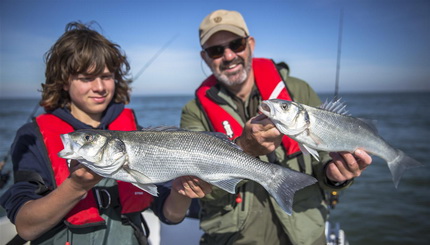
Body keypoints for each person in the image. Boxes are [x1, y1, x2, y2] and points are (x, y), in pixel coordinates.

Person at [0, 21, 211, 245]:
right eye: (86, 78)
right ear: (63, 81)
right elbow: (25, 227)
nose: (100, 87)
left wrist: (181, 193)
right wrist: (76, 186)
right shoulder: (34, 137)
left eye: (107, 76)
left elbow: (170, 215)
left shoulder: (134, 132)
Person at [180, 9, 372, 245]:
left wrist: (335, 176)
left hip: (306, 235)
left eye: (237, 44)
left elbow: (321, 159)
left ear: (251, 44)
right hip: (236, 238)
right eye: (216, 50)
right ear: (205, 57)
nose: (228, 56)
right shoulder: (194, 112)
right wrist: (243, 148)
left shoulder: (297, 90)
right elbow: (201, 187)